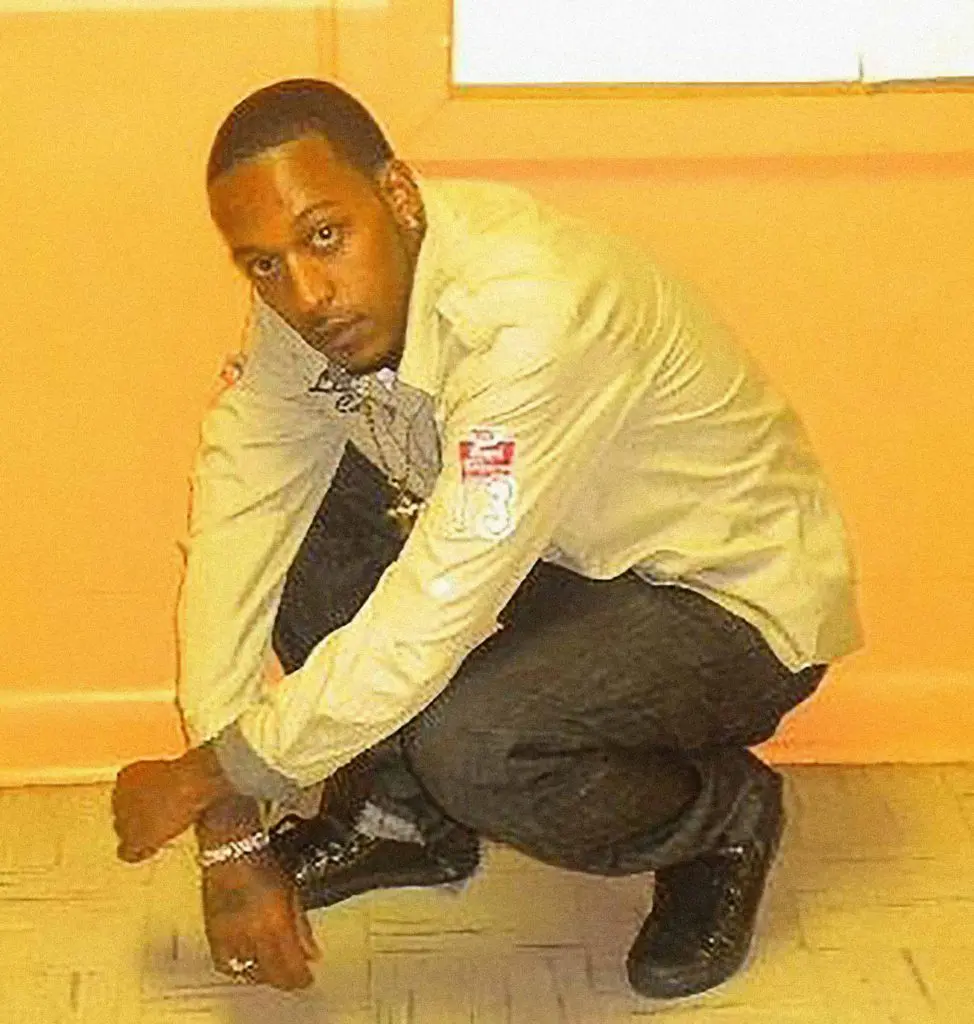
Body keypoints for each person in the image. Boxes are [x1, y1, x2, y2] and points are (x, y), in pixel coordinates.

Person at [111, 78, 863, 1000]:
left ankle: (720, 820)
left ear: (397, 194)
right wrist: (229, 822)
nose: (306, 294)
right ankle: (401, 817)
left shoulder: (534, 311)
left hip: (721, 599)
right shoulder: (304, 310)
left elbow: (438, 607)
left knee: (476, 744)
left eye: (325, 236)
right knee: (300, 505)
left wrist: (212, 773)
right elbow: (240, 514)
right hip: (550, 555)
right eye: (263, 263)